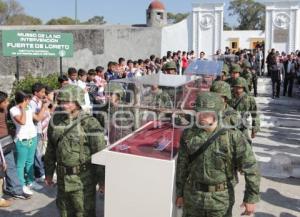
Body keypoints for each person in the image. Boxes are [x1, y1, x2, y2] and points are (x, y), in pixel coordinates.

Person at [176, 92, 260, 217]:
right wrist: (180, 193)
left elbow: (251, 168)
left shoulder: (233, 136)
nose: (202, 116)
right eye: (199, 112)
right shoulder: (189, 135)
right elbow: (182, 166)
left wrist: (251, 198)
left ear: (217, 113)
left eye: (208, 113)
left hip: (221, 200)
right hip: (193, 198)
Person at [45, 85, 106, 217]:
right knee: (64, 212)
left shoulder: (90, 123)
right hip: (62, 179)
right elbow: (50, 148)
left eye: (68, 102)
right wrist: (48, 173)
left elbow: (100, 153)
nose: (63, 105)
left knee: (83, 212)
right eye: (61, 102)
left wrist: (102, 181)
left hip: (83, 181)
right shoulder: (55, 120)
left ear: (78, 102)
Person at [0, 91, 31, 200]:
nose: (7, 103)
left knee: (11, 166)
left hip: (6, 142)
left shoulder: (5, 109)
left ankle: (16, 190)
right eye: (5, 101)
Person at [10, 91, 39, 195]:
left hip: (32, 137)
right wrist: (22, 109)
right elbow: (22, 122)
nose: (29, 101)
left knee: (30, 162)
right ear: (23, 100)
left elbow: (38, 118)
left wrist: (45, 106)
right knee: (20, 164)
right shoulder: (14, 110)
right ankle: (21, 185)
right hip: (22, 140)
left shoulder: (28, 107)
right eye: (27, 99)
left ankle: (30, 182)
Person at [229, 77, 260, 142]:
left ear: (243, 88)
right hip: (229, 125)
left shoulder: (249, 99)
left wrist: (254, 129)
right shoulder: (229, 97)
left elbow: (255, 114)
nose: (237, 90)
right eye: (236, 87)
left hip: (242, 126)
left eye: (239, 88)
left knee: (246, 143)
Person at [30, 83, 49, 186]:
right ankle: (38, 174)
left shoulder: (38, 101)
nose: (44, 94)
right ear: (35, 92)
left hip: (39, 130)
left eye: (44, 91)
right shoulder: (32, 103)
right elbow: (37, 118)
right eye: (42, 92)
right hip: (34, 131)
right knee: (37, 153)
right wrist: (44, 106)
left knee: (39, 152)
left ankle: (39, 173)